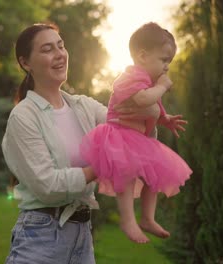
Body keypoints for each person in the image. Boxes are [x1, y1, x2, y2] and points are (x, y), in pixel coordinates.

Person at [2, 23, 160, 263]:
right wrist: (99, 166)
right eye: (47, 49)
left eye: (61, 46)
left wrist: (150, 109)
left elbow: (130, 135)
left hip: (82, 236)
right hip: (40, 238)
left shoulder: (84, 107)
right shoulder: (24, 116)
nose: (59, 54)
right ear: (26, 63)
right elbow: (47, 185)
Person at [80, 22, 192, 244]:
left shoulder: (148, 80)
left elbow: (152, 106)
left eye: (169, 61)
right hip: (120, 137)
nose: (167, 67)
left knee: (154, 178)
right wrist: (162, 87)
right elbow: (142, 99)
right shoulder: (131, 76)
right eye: (164, 60)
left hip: (142, 140)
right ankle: (128, 220)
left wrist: (164, 118)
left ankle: (147, 219)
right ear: (142, 56)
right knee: (127, 177)